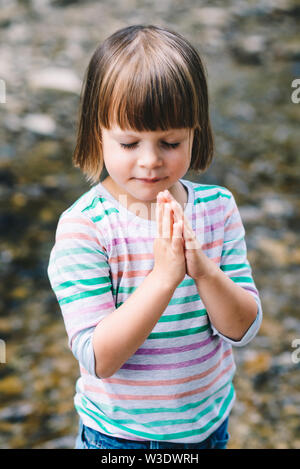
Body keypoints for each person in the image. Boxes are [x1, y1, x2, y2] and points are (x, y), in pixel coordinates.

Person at [47, 24, 262, 449]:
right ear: (98, 134)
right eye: (128, 143)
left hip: (208, 428)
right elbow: (99, 359)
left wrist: (204, 272)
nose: (150, 161)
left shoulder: (217, 209)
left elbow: (244, 327)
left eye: (170, 141)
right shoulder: (85, 228)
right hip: (120, 438)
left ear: (195, 132)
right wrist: (164, 277)